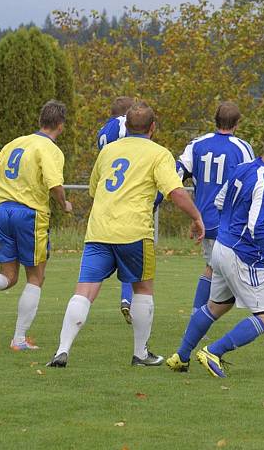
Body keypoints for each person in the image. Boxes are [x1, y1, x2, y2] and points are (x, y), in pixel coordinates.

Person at [47, 101, 205, 368]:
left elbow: (94, 190)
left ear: (126, 126)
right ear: (152, 127)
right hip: (134, 232)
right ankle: (140, 353)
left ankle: (62, 350)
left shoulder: (107, 151)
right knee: (142, 289)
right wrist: (197, 217)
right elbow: (175, 192)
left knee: (84, 291)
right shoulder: (159, 154)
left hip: (99, 230)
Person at [166, 127, 264, 378]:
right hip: (242, 254)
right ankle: (213, 351)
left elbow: (219, 202)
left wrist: (228, 234)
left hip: (222, 247)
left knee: (216, 306)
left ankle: (180, 357)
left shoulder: (243, 168)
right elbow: (259, 228)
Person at [0, 100, 72, 351]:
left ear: (40, 121)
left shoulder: (15, 143)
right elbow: (54, 184)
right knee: (36, 277)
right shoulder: (50, 149)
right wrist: (64, 204)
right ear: (61, 126)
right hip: (29, 214)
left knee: (8, 276)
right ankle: (19, 339)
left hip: (2, 210)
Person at [176, 101, 253, 313]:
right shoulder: (242, 148)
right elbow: (251, 182)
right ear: (237, 123)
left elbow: (177, 174)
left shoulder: (197, 144)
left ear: (215, 120)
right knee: (225, 268)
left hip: (205, 220)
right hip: (231, 221)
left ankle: (200, 315)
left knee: (215, 268)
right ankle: (200, 317)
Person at [96, 96, 138, 324]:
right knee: (132, 249)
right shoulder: (125, 125)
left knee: (106, 253)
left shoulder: (102, 131)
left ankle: (85, 297)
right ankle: (127, 297)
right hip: (126, 195)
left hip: (106, 197)